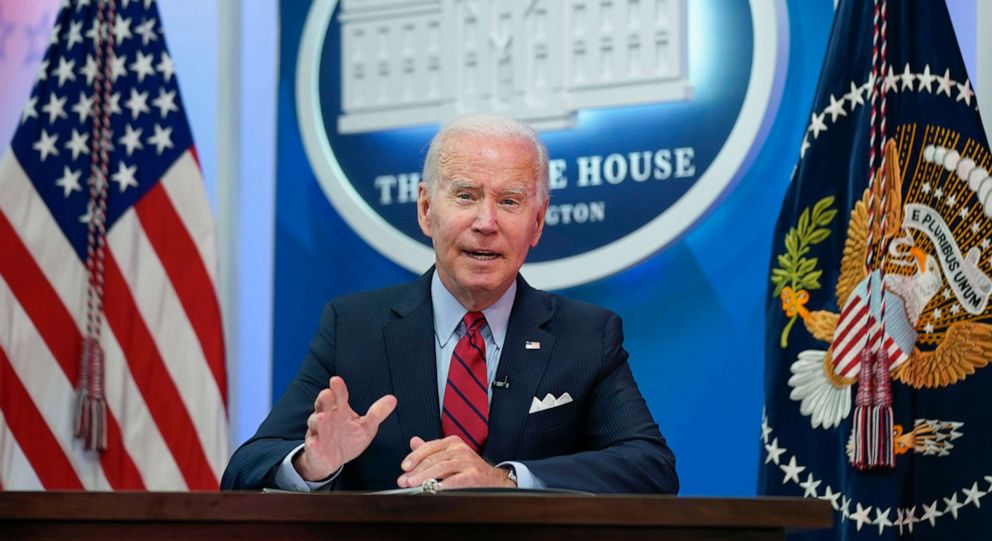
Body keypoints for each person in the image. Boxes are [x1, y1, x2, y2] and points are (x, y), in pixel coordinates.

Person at [221, 114, 678, 493]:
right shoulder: (353, 327)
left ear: (537, 224)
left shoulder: (585, 335)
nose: (486, 222)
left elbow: (650, 468)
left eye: (510, 201)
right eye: (465, 196)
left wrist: (506, 480)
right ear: (425, 210)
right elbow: (244, 470)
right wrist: (313, 464)